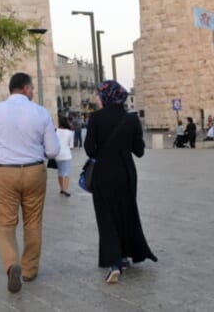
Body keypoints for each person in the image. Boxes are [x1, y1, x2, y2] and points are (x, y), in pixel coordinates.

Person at [0, 72, 60, 293]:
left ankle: (12, 264)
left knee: (4, 224)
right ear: (27, 88)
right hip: (34, 171)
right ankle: (29, 269)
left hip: (5, 172)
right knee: (33, 222)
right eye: (32, 88)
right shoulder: (41, 112)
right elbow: (53, 150)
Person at [85, 80, 157, 285]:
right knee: (125, 212)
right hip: (126, 174)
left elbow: (90, 149)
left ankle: (114, 262)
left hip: (103, 174)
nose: (97, 98)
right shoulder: (131, 120)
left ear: (107, 97)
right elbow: (139, 151)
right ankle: (125, 255)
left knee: (106, 216)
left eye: (99, 95)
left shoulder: (96, 118)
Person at [54, 118, 75, 196]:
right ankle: (65, 189)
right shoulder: (70, 132)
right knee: (66, 173)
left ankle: (61, 189)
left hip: (57, 155)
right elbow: (71, 146)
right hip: (66, 155)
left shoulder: (55, 131)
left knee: (60, 172)